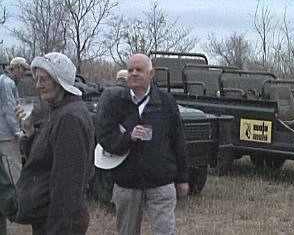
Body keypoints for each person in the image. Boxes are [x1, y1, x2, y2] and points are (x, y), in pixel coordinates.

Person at [95, 53, 189, 235]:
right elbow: (104, 139)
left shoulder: (166, 101)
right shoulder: (115, 102)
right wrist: (128, 137)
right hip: (127, 182)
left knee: (165, 231)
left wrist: (183, 178)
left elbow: (178, 140)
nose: (134, 74)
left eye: (139, 70)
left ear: (151, 74)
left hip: (161, 182)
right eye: (130, 70)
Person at [14, 52, 95, 235]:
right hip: (49, 216)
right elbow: (43, 159)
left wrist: (58, 228)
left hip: (61, 221)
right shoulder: (59, 112)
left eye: (44, 80)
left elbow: (67, 184)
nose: (38, 85)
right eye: (37, 79)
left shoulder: (70, 118)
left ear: (60, 81)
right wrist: (29, 131)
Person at [0, 57, 29, 184]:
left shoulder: (5, 81)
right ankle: (18, 201)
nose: (23, 72)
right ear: (16, 68)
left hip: (4, 132)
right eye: (23, 69)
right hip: (7, 134)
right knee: (14, 169)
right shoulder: (7, 83)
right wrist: (17, 131)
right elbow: (10, 109)